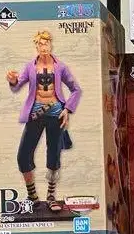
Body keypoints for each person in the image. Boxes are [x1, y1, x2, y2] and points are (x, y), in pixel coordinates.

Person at [6, 31, 81, 213]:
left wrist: (67, 109)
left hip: (56, 113)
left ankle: (51, 196)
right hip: (35, 114)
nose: (44, 46)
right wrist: (13, 80)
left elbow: (76, 89)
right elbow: (18, 85)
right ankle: (32, 195)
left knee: (53, 154)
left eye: (46, 43)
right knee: (23, 155)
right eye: (40, 43)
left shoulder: (60, 67)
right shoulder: (30, 67)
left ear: (51, 45)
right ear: (36, 46)